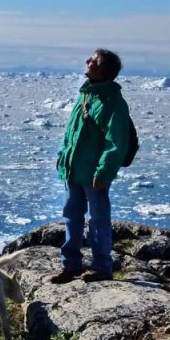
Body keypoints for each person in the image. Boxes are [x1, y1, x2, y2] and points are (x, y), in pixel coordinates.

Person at [50, 49, 130, 283]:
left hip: (94, 173)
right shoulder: (85, 95)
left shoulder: (112, 101)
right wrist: (63, 156)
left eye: (93, 60)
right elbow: (71, 132)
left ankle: (102, 267)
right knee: (71, 216)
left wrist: (104, 171)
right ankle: (70, 265)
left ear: (104, 70)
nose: (87, 61)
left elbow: (116, 141)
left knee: (98, 219)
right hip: (73, 168)